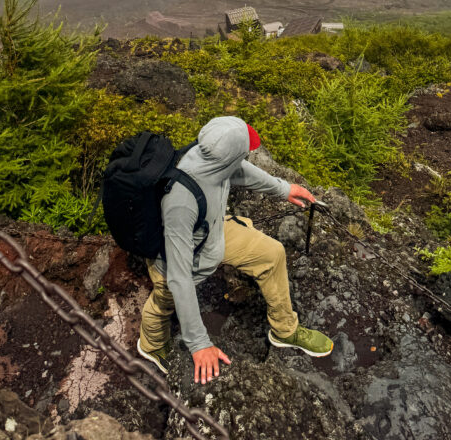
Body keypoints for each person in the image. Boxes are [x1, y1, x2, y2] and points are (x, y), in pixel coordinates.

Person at [137, 115, 333, 384]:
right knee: (164, 300)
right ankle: (151, 345)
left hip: (211, 233)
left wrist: (284, 189)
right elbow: (179, 276)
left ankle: (285, 330)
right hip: (174, 258)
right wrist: (199, 344)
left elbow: (240, 171)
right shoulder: (180, 202)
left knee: (272, 254)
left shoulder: (211, 157)